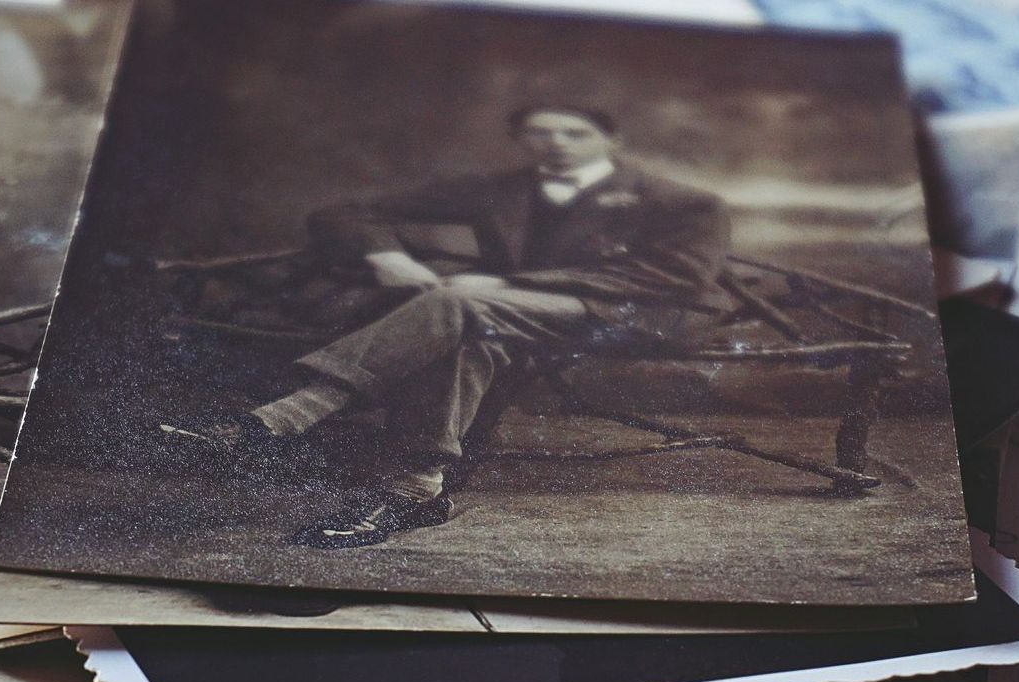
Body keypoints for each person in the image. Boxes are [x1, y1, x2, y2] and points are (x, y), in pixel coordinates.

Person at [173, 104, 736, 548]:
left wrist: (521, 286)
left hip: (635, 317)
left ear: (611, 141)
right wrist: (384, 257)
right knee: (468, 332)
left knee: (464, 306)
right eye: (539, 132)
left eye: (574, 132)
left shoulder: (681, 201)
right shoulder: (499, 188)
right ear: (521, 140)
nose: (555, 143)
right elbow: (343, 213)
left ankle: (281, 418)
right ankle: (414, 491)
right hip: (506, 316)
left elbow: (677, 276)